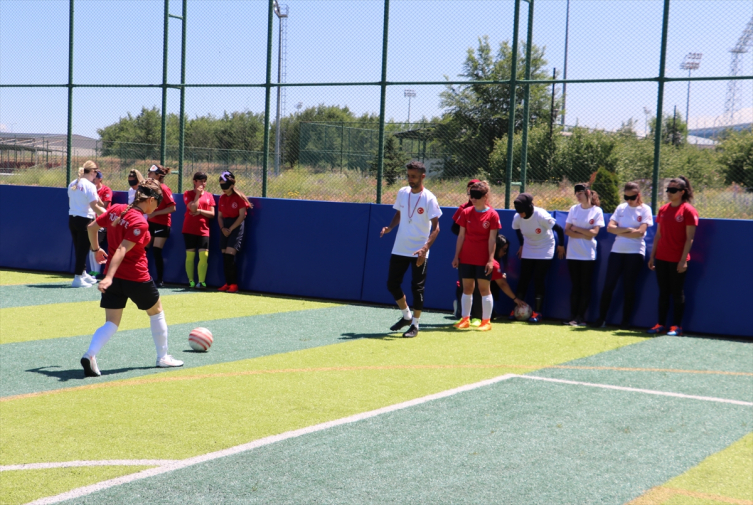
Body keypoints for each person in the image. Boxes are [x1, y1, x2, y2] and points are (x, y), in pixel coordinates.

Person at [81, 178, 183, 377]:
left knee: (111, 322)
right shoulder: (139, 222)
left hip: (115, 278)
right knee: (156, 311)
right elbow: (121, 249)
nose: (157, 207)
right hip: (135, 276)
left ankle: (90, 354)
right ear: (151, 200)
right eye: (157, 203)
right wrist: (108, 276)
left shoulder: (117, 209)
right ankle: (163, 357)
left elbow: (91, 228)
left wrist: (95, 250)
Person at [380, 161, 442, 338]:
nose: (410, 179)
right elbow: (399, 213)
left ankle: (415, 325)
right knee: (392, 284)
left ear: (423, 176)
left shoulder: (429, 198)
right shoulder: (402, 192)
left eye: (413, 176)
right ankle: (406, 315)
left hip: (419, 250)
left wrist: (425, 248)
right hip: (400, 247)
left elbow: (437, 228)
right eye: (408, 175)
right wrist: (390, 228)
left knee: (417, 288)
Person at [595, 182, 653, 329]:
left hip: (635, 252)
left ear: (638, 195)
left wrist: (620, 230)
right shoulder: (621, 208)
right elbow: (609, 228)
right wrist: (629, 229)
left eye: (632, 197)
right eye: (626, 197)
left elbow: (641, 232)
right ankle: (601, 319)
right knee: (608, 285)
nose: (629, 200)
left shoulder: (645, 209)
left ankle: (625, 322)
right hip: (617, 250)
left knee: (629, 288)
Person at [647, 176, 698, 336]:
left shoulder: (688, 211)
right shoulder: (663, 209)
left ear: (682, 192)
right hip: (661, 257)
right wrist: (652, 256)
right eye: (668, 189)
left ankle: (677, 326)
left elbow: (690, 238)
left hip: (678, 259)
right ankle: (660, 324)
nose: (669, 192)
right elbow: (658, 235)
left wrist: (683, 260)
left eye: (673, 190)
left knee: (677, 293)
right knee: (663, 292)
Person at [452, 181, 500, 331]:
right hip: (466, 257)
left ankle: (486, 321)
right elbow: (461, 236)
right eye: (471, 195)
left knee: (484, 289)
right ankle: (465, 319)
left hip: (483, 258)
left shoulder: (492, 214)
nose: (473, 199)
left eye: (477, 196)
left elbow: (493, 239)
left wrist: (491, 260)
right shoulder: (466, 213)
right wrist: (456, 256)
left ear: (485, 196)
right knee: (467, 288)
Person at [511, 193, 565, 323]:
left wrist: (561, 246)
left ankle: (538, 312)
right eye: (518, 212)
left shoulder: (541, 215)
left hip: (545, 248)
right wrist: (522, 245)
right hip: (529, 247)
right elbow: (517, 229)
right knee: (524, 278)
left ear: (529, 207)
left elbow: (559, 229)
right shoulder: (518, 217)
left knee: (538, 279)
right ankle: (516, 309)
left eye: (522, 211)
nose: (521, 214)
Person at [563, 184, 604, 325]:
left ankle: (581, 317)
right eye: (576, 194)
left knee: (585, 286)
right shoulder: (574, 209)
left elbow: (593, 233)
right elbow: (567, 231)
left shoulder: (597, 211)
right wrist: (584, 232)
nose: (578, 196)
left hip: (587, 255)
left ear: (587, 193)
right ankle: (573, 316)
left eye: (580, 193)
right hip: (573, 254)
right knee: (575, 286)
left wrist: (577, 229)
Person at [68, 160, 106, 288]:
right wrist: (109, 217)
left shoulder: (72, 183)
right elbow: (95, 207)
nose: (97, 174)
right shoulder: (89, 185)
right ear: (92, 172)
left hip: (72, 220)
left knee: (80, 249)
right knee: (82, 250)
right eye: (96, 171)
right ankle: (77, 278)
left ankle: (83, 273)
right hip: (84, 220)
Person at [217, 171, 253, 293]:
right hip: (225, 227)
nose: (223, 189)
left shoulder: (239, 198)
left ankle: (234, 285)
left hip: (236, 227)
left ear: (232, 185)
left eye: (225, 186)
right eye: (221, 186)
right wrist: (223, 229)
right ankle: (227, 283)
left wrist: (230, 229)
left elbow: (242, 216)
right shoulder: (222, 198)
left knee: (229, 256)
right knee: (224, 256)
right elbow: (220, 216)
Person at [183, 172, 216, 288]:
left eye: (204, 181)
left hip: (204, 230)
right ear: (194, 182)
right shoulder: (188, 194)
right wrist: (197, 194)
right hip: (189, 229)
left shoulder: (209, 196)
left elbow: (212, 214)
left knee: (204, 256)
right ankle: (191, 281)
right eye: (200, 181)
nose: (203, 183)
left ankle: (201, 282)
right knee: (190, 256)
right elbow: (192, 208)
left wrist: (201, 212)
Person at [146, 165, 177, 288]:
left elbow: (172, 207)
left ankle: (160, 280)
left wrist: (156, 213)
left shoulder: (164, 189)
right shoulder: (149, 187)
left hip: (162, 223)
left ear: (158, 175)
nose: (149, 174)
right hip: (150, 222)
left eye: (151, 172)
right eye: (149, 172)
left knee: (157, 251)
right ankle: (142, 277)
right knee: (143, 250)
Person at [489, 234, 527, 316]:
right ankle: (462, 306)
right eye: (504, 249)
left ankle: (489, 309)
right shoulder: (492, 263)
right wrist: (516, 299)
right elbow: (503, 284)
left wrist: (499, 276)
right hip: (469, 291)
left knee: (496, 280)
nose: (505, 253)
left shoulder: (495, 261)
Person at [89, 168, 113, 278]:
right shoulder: (89, 189)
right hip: (91, 221)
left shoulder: (106, 190)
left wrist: (96, 198)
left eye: (96, 178)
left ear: (100, 179)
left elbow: (104, 206)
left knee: (95, 246)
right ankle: (93, 271)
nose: (93, 180)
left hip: (102, 223)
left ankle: (96, 272)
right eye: (92, 178)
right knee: (91, 246)